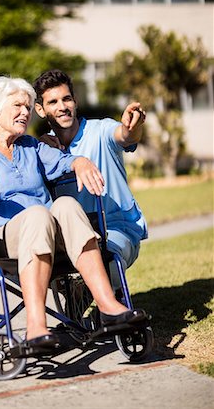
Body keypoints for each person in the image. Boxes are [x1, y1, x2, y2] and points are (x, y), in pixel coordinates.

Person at [0, 76, 146, 353]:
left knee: (66, 205)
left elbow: (64, 161)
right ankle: (35, 327)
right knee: (37, 214)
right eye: (18, 105)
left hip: (47, 230)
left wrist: (79, 161)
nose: (25, 112)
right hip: (1, 236)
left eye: (29, 106)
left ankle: (108, 307)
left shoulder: (31, 146)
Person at [33, 69, 148, 292]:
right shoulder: (43, 149)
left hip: (116, 231)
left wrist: (132, 126)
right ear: (40, 109)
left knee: (106, 262)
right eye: (53, 102)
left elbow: (125, 135)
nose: (62, 106)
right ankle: (81, 314)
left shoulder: (100, 131)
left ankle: (110, 312)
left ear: (75, 101)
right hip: (71, 237)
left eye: (67, 99)